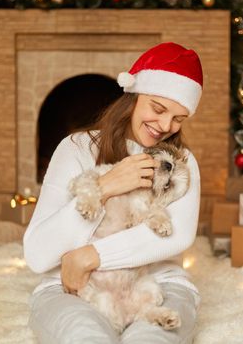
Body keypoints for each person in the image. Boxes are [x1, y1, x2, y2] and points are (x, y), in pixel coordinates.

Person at [24, 42, 203, 344]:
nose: (165, 125)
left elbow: (177, 235)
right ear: (132, 95)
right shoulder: (76, 149)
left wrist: (90, 256)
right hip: (71, 287)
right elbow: (38, 254)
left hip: (157, 283)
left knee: (152, 338)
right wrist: (106, 187)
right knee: (84, 336)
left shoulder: (180, 162)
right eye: (158, 108)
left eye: (178, 118)